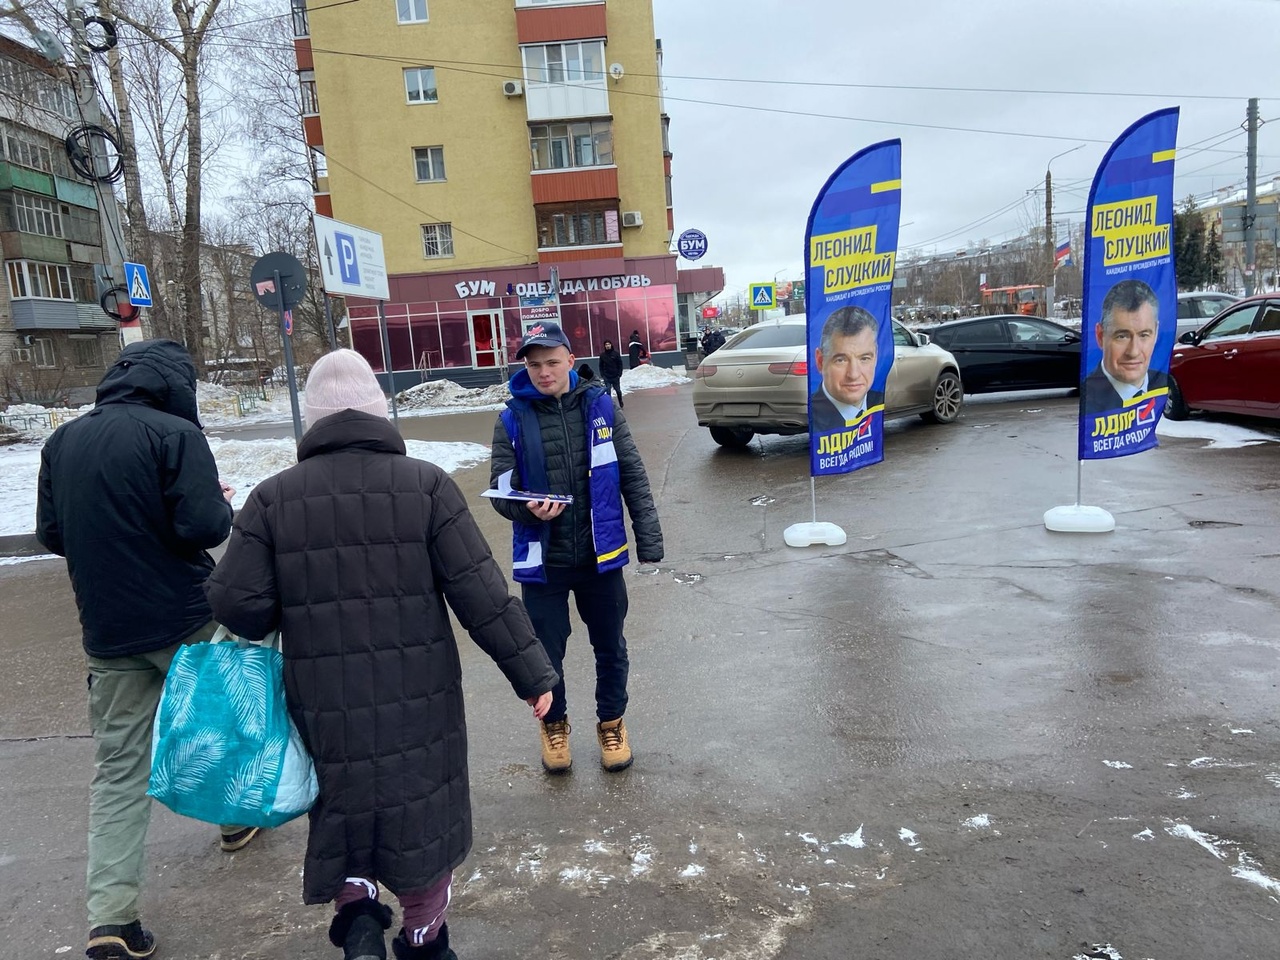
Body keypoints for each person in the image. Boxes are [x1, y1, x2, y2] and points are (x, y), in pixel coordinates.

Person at [205, 350, 558, 960]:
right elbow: (482, 594)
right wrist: (533, 676)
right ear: (378, 412)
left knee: (343, 809)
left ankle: (360, 919)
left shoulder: (270, 499)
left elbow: (239, 607)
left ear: (311, 421)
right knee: (420, 818)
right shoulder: (426, 486)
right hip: (419, 705)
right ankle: (423, 936)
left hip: (324, 706)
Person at [35, 339, 242, 960]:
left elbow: (51, 533)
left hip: (107, 629)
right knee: (219, 720)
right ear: (175, 387)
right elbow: (205, 527)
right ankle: (235, 821)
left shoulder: (61, 442)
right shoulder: (175, 436)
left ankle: (111, 921)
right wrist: (219, 503)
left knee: (119, 769)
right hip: (183, 616)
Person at [489, 321, 663, 775]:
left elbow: (632, 473)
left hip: (600, 556)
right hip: (543, 561)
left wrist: (648, 538)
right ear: (525, 368)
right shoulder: (511, 418)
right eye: (534, 365)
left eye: (551, 362)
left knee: (610, 646)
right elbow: (501, 492)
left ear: (570, 359)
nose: (544, 372)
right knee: (545, 654)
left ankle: (612, 723)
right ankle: (555, 725)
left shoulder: (602, 407)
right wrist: (530, 511)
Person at [1083, 278, 1168, 416]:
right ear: (1100, 336)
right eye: (1122, 336)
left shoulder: (1165, 386)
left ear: (1156, 332)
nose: (1133, 352)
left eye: (1144, 335)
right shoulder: (1085, 401)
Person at [809, 306, 885, 433]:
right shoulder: (810, 417)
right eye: (841, 360)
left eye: (864, 358)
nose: (854, 374)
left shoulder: (880, 404)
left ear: (875, 357)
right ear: (820, 361)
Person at [598, 339, 625, 408]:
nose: (607, 346)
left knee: (618, 391)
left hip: (615, 376)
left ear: (611, 345)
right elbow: (600, 366)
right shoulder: (602, 355)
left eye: (608, 344)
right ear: (604, 346)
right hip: (607, 377)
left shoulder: (616, 354)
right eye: (606, 345)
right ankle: (609, 405)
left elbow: (620, 364)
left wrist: (619, 374)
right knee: (608, 392)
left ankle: (620, 402)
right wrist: (603, 375)